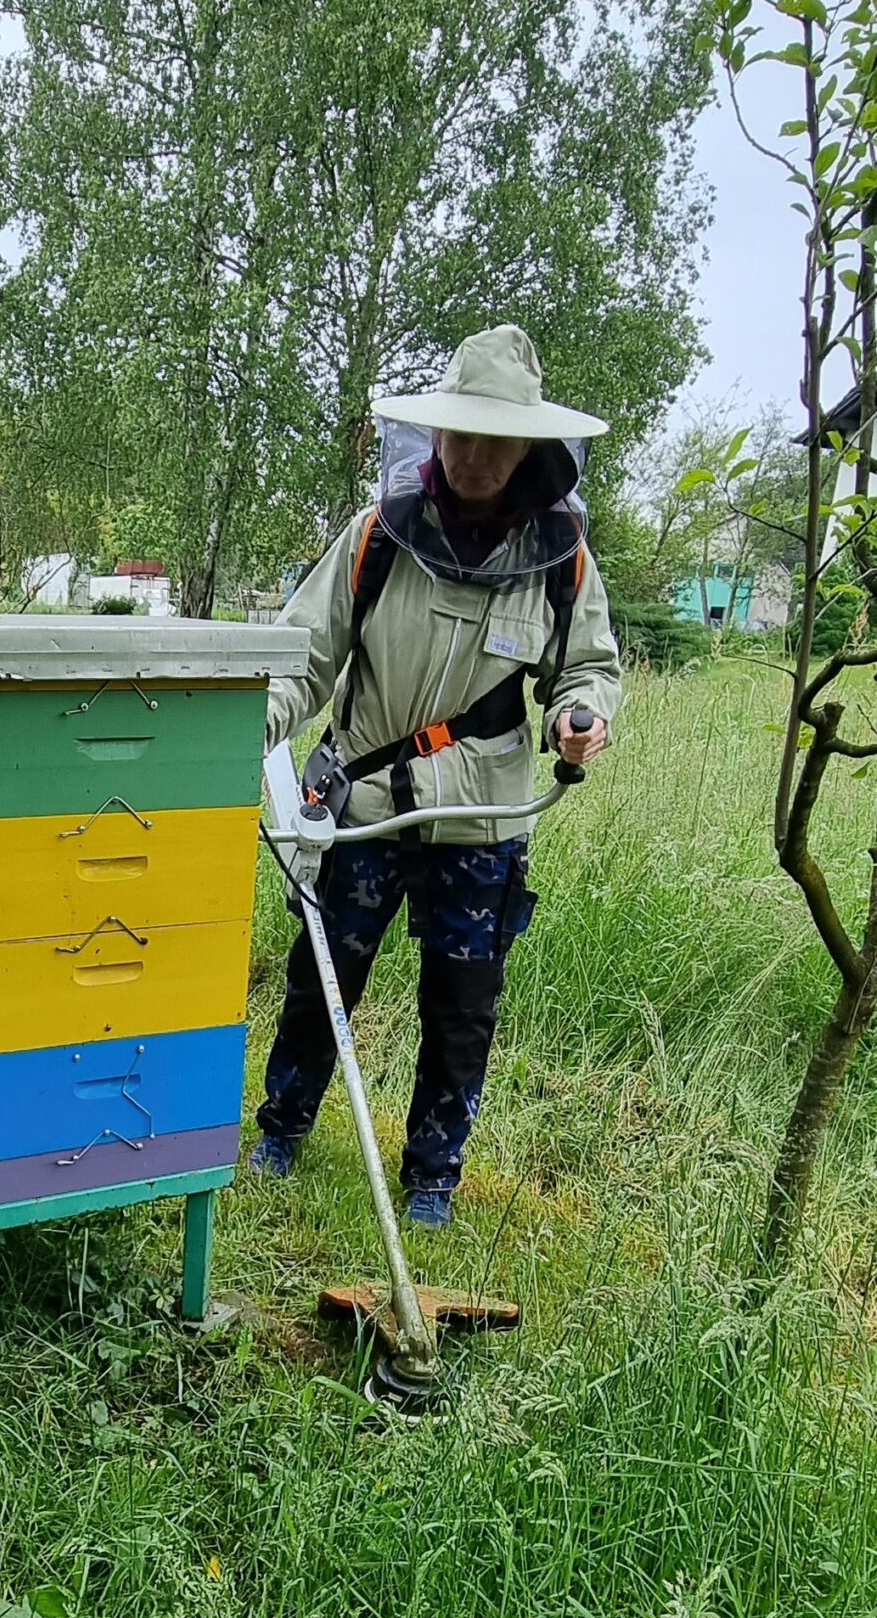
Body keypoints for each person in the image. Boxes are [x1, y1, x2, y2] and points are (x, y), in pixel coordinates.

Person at [251, 324, 621, 1225]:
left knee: (462, 1011)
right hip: (364, 804)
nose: (472, 455)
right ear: (436, 432)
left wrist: (582, 716)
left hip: (483, 819)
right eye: (459, 432)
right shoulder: (377, 536)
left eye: (494, 438)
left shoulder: (561, 563)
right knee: (322, 975)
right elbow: (302, 659)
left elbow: (589, 667)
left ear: (530, 448)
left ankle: (431, 1182)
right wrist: (247, 727)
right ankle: (280, 1132)